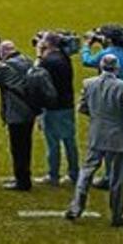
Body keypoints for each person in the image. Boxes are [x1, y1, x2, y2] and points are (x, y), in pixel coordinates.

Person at [66, 55, 123, 227]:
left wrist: (96, 116)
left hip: (96, 134)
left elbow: (82, 107)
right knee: (116, 177)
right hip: (117, 136)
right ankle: (117, 216)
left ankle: (75, 208)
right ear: (116, 67)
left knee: (86, 172)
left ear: (100, 66)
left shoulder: (88, 83)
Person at [81, 26, 123, 188]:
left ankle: (110, 177)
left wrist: (87, 45)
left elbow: (87, 61)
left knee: (107, 141)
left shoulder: (107, 54)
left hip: (108, 99)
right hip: (121, 96)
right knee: (122, 140)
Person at [0, 40, 37, 191]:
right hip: (29, 110)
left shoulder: (4, 67)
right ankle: (25, 177)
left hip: (15, 112)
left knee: (18, 148)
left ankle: (22, 181)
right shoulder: (28, 61)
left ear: (2, 52)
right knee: (26, 146)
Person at [38, 33, 79, 187]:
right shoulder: (64, 57)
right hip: (67, 104)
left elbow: (36, 75)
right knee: (70, 141)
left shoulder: (48, 61)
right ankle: (74, 173)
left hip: (53, 107)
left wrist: (39, 54)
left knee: (53, 143)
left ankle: (53, 174)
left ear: (48, 44)